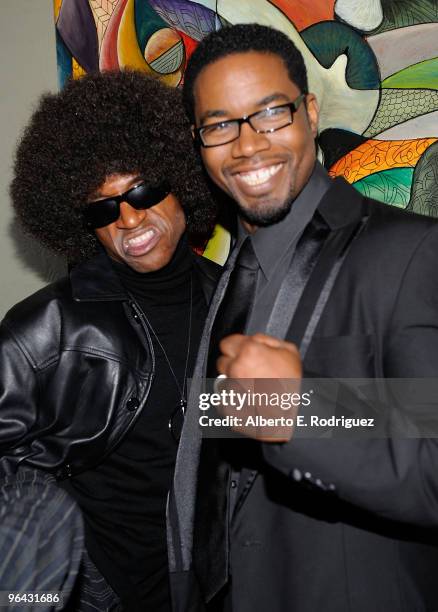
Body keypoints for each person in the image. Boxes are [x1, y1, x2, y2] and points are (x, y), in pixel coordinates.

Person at [171, 23, 438, 612]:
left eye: (270, 114)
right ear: (199, 141)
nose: (247, 145)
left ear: (310, 111)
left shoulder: (410, 253)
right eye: (220, 125)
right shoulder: (223, 277)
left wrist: (302, 412)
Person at [0, 70, 220, 611]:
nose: (128, 217)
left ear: (180, 182)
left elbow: (299, 413)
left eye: (142, 190)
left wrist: (407, 412)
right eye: (102, 208)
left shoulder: (234, 297)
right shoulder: (49, 327)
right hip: (100, 587)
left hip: (214, 579)